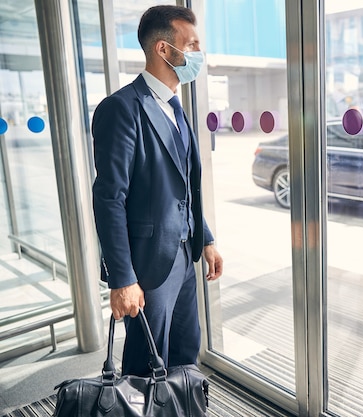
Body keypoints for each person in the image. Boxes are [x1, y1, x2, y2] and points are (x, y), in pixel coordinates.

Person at [91, 5, 223, 376]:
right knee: (147, 364)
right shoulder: (122, 109)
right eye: (192, 45)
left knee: (184, 352)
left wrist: (206, 238)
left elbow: (184, 185)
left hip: (183, 256)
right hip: (148, 264)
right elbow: (108, 199)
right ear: (164, 49)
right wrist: (123, 278)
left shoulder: (176, 107)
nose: (198, 53)